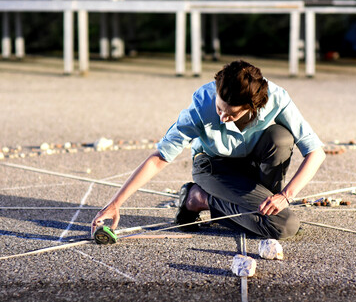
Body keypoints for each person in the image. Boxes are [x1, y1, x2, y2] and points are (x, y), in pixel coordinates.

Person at [91, 60, 326, 240]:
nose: (223, 118)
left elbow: (315, 151)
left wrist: (286, 196)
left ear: (253, 107)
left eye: (232, 114)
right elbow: (160, 157)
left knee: (281, 137)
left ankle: (263, 210)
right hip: (214, 167)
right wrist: (115, 203)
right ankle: (198, 198)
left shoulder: (276, 98)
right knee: (284, 226)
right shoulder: (202, 103)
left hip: (252, 165)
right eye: (219, 108)